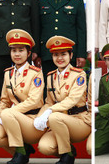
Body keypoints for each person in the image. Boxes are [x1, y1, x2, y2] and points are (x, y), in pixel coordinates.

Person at [0, 29, 44, 164]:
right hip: (12, 118)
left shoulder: (36, 73)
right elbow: (4, 100)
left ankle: (21, 155)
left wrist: (9, 113)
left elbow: (33, 101)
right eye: (13, 50)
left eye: (21, 50)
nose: (17, 54)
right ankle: (23, 149)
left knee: (6, 114)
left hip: (31, 120)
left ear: (28, 53)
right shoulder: (8, 73)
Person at [36, 36, 89, 164]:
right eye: (55, 54)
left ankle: (67, 155)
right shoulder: (50, 76)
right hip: (59, 122)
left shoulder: (79, 74)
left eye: (63, 54)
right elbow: (49, 102)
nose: (59, 58)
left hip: (78, 120)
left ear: (71, 55)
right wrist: (40, 117)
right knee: (44, 147)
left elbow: (72, 99)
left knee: (54, 117)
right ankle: (69, 148)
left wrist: (50, 111)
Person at [38, 0, 87, 75]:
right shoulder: (41, 1)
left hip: (69, 54)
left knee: (69, 86)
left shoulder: (77, 2)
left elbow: (81, 30)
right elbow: (38, 29)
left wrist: (81, 54)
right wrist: (38, 54)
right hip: (47, 53)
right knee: (49, 87)